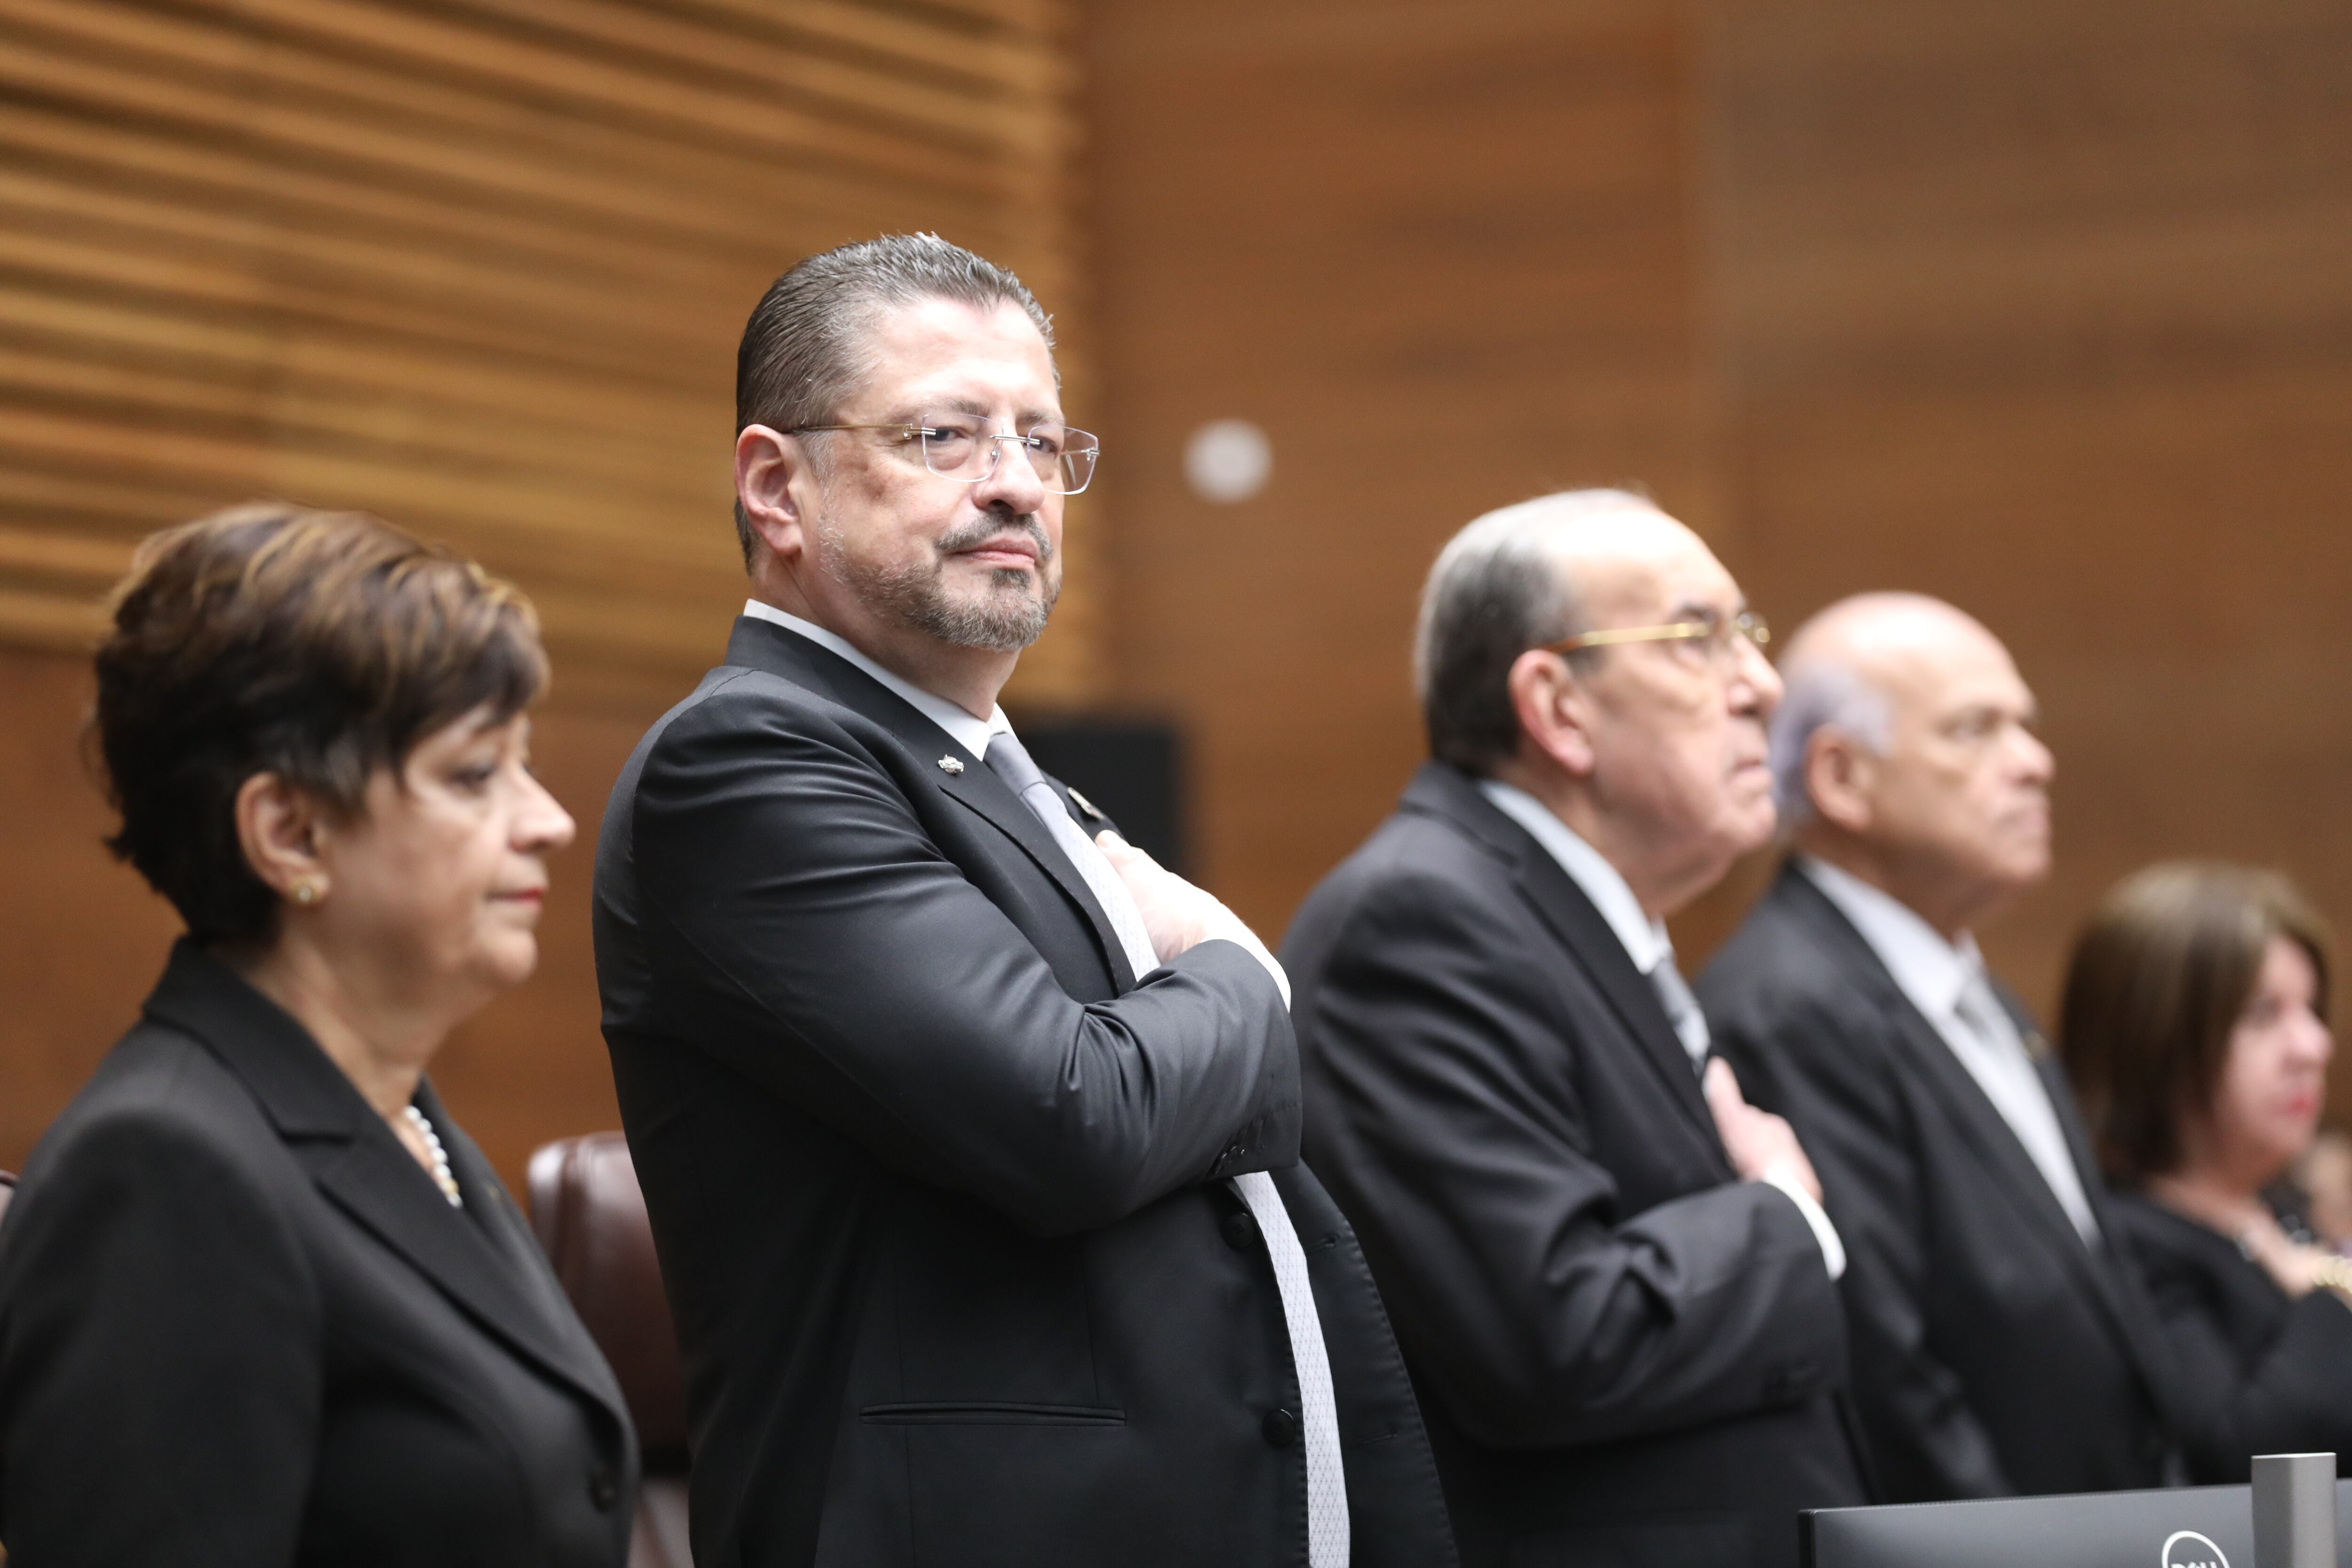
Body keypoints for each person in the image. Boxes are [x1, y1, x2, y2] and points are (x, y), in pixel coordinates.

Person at [593, 234, 1454, 1568]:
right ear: (778, 486)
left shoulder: (1001, 774)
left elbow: (1240, 1113)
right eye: (944, 434)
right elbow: (1074, 1113)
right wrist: (1240, 970)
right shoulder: (753, 758)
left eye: (1044, 443)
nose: (1013, 485)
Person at [0, 503, 635, 1566]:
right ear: (291, 831)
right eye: (477, 774)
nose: (549, 818)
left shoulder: (401, 1118)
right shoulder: (164, 1169)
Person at [1283, 491, 1865, 1568]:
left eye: (1749, 632)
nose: (1763, 684)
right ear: (1556, 706)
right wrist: (1785, 1217)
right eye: (1699, 636)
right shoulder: (1417, 924)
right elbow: (1555, 1334)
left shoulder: (1565, 916)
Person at [1698, 592, 2178, 1502]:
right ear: (1841, 778)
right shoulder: (1786, 1006)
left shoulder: (1970, 984)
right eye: (1976, 730)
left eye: (2026, 727)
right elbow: (1885, 1366)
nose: (2036, 762)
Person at [2059, 862, 2352, 1480]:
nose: (2314, 1046)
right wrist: (2335, 1290)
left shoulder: (2283, 1204)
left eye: (2312, 1009)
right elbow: (2243, 1454)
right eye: (2265, 1014)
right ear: (2157, 1038)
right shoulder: (2126, 1243)